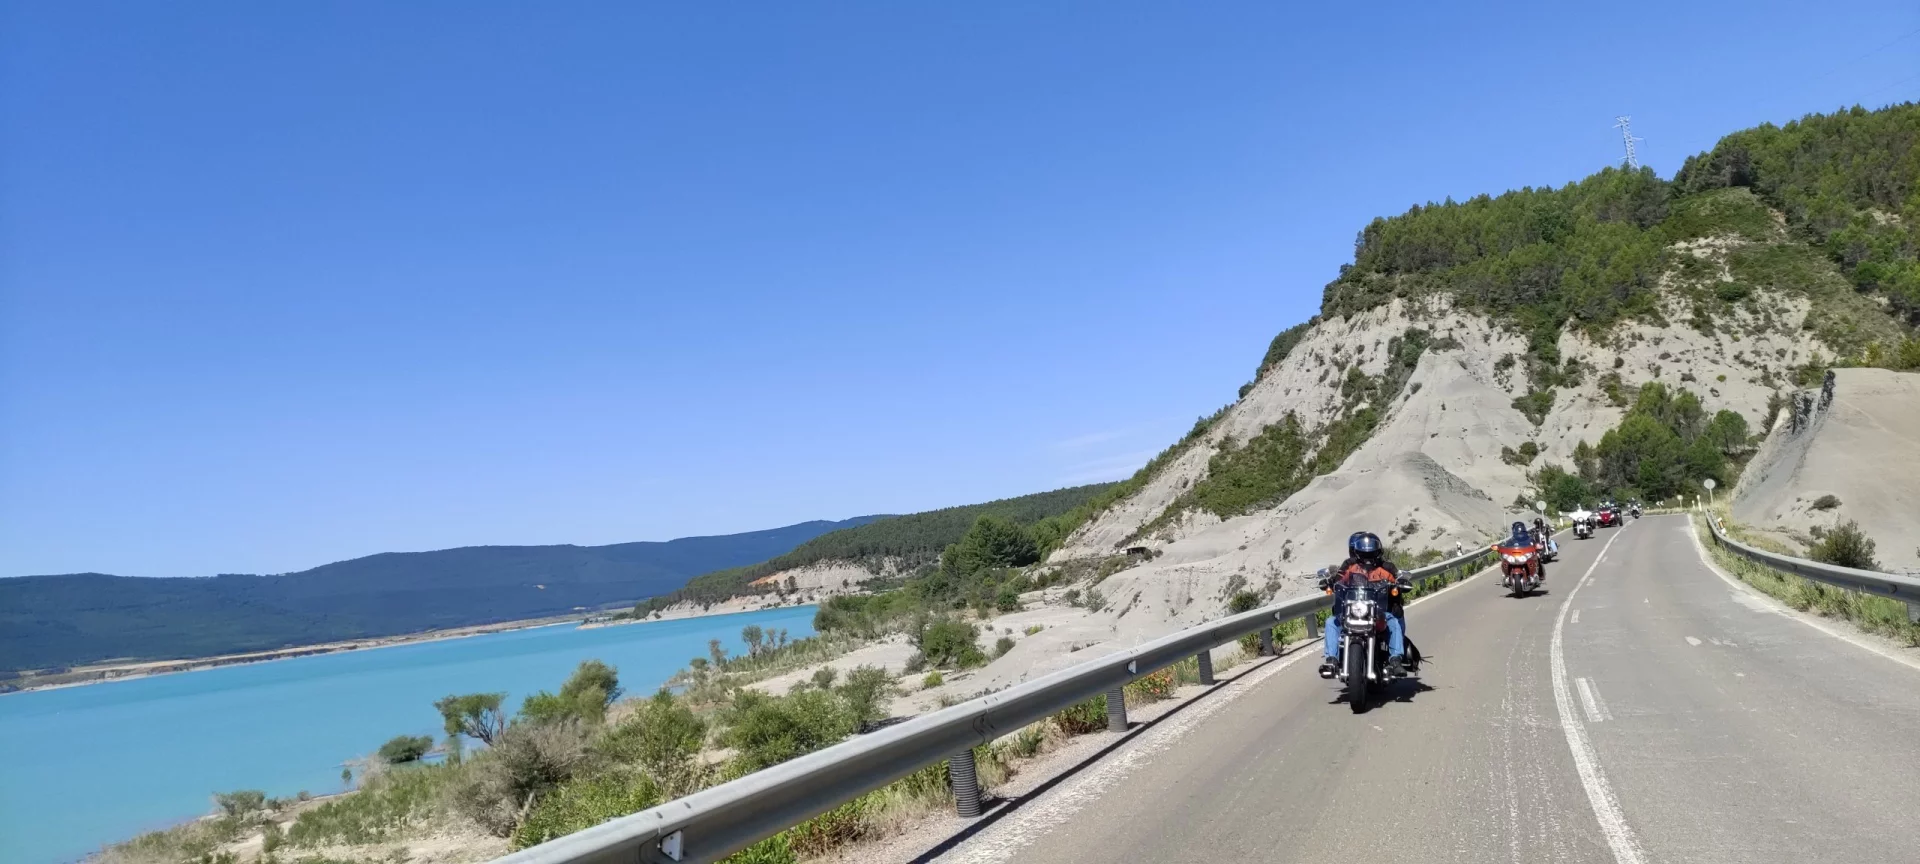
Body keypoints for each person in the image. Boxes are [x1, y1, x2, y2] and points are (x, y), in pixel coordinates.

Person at [1318, 531, 1411, 679]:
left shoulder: (1387, 568)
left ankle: (1395, 660)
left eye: (1371, 553)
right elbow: (1339, 579)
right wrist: (1329, 581)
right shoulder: (1350, 567)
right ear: (1357, 553)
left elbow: (1397, 578)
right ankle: (1331, 661)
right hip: (1353, 611)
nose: (1368, 558)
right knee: (1331, 622)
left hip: (1379, 612)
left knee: (1392, 621)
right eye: (1364, 553)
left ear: (1378, 552)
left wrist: (1401, 583)